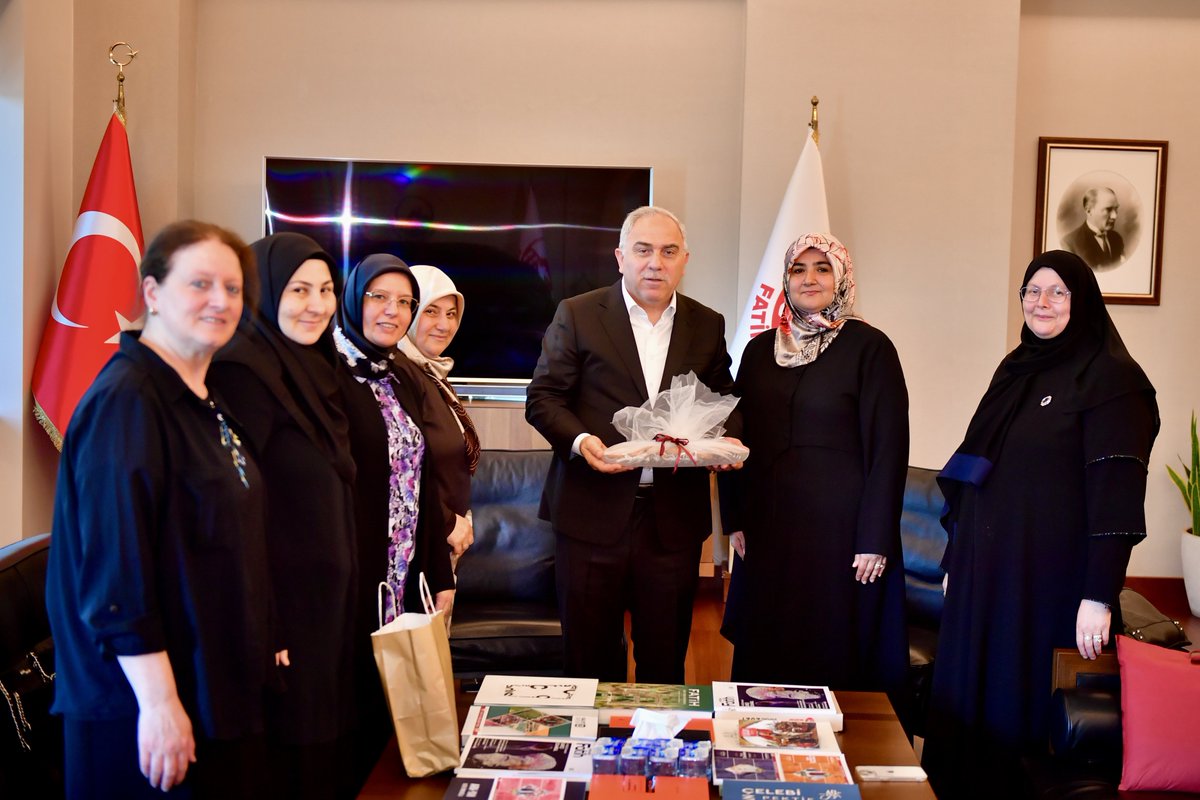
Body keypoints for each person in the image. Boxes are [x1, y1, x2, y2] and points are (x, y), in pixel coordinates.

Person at [46, 220, 275, 798]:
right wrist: (160, 703)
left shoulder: (202, 396)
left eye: (232, 287)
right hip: (142, 711)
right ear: (152, 293)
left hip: (209, 690)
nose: (220, 301)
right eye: (200, 284)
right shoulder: (126, 400)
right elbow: (114, 575)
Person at [921, 250, 1158, 799]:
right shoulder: (1017, 369)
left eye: (1057, 292)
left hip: (1048, 587)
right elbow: (975, 471)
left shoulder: (1113, 380)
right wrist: (958, 559)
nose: (1041, 302)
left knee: (1018, 708)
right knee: (967, 707)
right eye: (1032, 290)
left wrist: (1098, 595)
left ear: (1083, 302)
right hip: (985, 578)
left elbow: (1117, 499)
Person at [525, 205, 741, 684]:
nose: (655, 263)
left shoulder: (706, 324)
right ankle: (590, 758)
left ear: (685, 260)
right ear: (621, 257)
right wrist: (582, 442)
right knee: (588, 664)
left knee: (664, 665)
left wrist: (726, 440)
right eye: (643, 250)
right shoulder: (578, 314)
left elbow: (723, 398)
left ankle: (657, 758)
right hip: (589, 514)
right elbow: (543, 398)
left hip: (671, 523)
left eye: (668, 252)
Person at [721, 233, 909, 694]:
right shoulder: (760, 350)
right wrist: (735, 517)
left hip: (841, 536)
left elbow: (890, 447)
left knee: (831, 649)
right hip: (768, 530)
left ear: (841, 276)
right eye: (798, 269)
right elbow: (734, 437)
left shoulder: (870, 347)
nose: (810, 279)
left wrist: (875, 537)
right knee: (767, 650)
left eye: (822, 268)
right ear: (785, 279)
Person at [208, 233, 357, 799]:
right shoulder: (241, 372)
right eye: (298, 290)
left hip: (326, 605)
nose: (316, 305)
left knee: (326, 745)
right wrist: (266, 622)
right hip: (283, 614)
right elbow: (237, 511)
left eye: (325, 289)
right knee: (292, 757)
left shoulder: (317, 368)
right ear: (264, 292)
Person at [333, 253, 457, 788]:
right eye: (379, 297)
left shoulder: (400, 375)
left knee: (394, 720)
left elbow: (424, 481)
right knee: (348, 717)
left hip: (403, 577)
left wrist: (441, 575)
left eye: (405, 301)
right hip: (350, 578)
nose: (394, 312)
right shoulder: (327, 375)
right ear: (353, 298)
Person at [398, 264, 482, 564]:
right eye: (431, 311)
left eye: (451, 314)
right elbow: (400, 469)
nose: (444, 325)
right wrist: (447, 520)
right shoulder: (398, 376)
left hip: (439, 539)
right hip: (415, 541)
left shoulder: (432, 373)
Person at [1062, 187, 1125, 268]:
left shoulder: (1117, 239)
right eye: (1108, 209)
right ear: (1089, 211)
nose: (1114, 216)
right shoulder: (1069, 244)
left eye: (1116, 209)